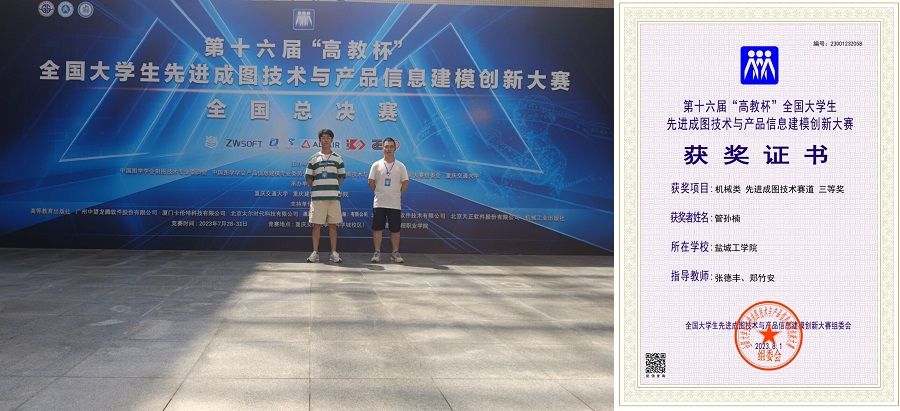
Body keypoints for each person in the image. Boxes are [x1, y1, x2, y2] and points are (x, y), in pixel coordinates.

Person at [305, 129, 345, 263]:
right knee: (316, 225)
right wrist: (318, 188)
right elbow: (308, 178)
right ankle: (315, 253)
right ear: (319, 140)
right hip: (318, 198)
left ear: (332, 140)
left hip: (333, 198)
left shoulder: (338, 158)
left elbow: (341, 177)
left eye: (328, 137)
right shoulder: (313, 158)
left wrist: (331, 187)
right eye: (323, 137)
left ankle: (333, 253)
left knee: (333, 226)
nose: (326, 140)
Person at [368, 137, 409, 263]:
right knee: (377, 228)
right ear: (382, 148)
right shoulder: (376, 165)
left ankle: (395, 253)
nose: (388, 149)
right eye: (386, 146)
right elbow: (371, 182)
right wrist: (379, 193)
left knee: (395, 230)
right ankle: (377, 252)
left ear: (395, 148)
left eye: (391, 146)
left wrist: (398, 194)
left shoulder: (400, 166)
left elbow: (405, 182)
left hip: (394, 203)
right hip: (379, 203)